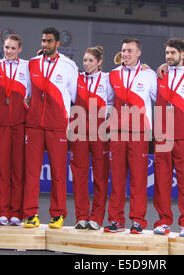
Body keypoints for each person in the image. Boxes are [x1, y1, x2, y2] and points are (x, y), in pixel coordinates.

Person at [23, 27, 78, 229]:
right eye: (43, 41)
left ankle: (57, 214)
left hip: (57, 126)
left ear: (58, 44)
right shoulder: (33, 63)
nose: (45, 44)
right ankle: (30, 214)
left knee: (58, 172)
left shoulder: (69, 66)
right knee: (31, 172)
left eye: (49, 41)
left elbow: (73, 97)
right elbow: (28, 92)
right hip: (35, 125)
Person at [104, 38, 157, 234]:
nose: (125, 54)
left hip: (140, 133)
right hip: (118, 133)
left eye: (130, 51)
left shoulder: (149, 75)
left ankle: (137, 221)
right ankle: (116, 220)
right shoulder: (113, 74)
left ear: (138, 53)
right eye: (123, 50)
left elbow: (157, 98)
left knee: (138, 179)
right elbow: (109, 102)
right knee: (116, 179)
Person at [152, 38, 184, 237]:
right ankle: (163, 221)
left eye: (173, 53)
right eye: (167, 53)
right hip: (162, 135)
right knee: (162, 181)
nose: (169, 57)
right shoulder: (160, 75)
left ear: (182, 54)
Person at [69, 46, 113, 230]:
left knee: (100, 176)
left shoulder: (108, 79)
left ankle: (96, 217)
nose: (87, 64)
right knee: (79, 175)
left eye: (91, 61)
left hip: (99, 130)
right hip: (79, 130)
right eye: (85, 60)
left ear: (99, 62)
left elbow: (112, 103)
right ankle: (81, 216)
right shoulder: (76, 77)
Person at [0, 34, 31, 226]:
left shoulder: (27, 67)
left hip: (20, 125)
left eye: (13, 48)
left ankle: (16, 212)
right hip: (1, 126)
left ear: (20, 49)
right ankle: (2, 212)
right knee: (1, 171)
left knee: (18, 171)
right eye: (7, 47)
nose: (9, 51)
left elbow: (31, 94)